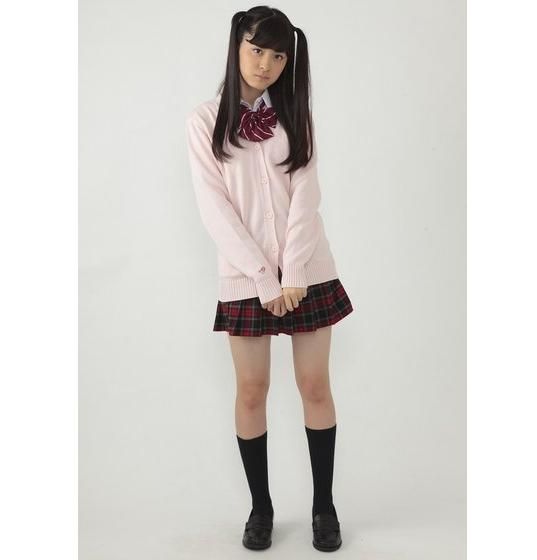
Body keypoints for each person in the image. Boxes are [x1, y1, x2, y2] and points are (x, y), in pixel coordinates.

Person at [185, 6, 353, 552]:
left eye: (278, 55)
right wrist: (264, 276)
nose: (266, 64)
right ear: (236, 45)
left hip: (309, 273)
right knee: (252, 391)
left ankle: (324, 506)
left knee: (314, 385)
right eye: (257, 49)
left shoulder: (296, 117)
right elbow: (214, 209)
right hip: (244, 277)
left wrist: (294, 271)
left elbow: (307, 195)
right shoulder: (204, 121)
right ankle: (261, 507)